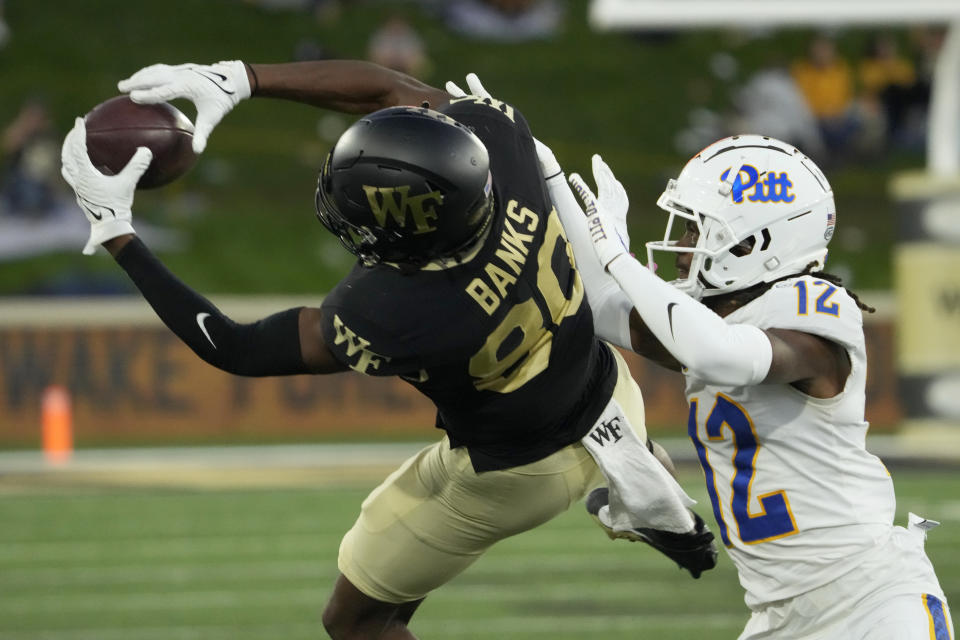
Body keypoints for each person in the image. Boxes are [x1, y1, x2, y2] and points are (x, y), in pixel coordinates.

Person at [59, 60, 717, 639]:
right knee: (396, 557)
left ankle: (625, 479)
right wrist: (239, 78)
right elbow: (391, 91)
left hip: (518, 473)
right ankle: (632, 469)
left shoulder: (399, 312)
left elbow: (232, 348)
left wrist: (116, 231)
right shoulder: (498, 139)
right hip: (605, 386)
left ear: (403, 240)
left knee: (355, 621)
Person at [542, 133, 954, 639]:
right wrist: (544, 170)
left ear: (757, 241)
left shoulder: (816, 308)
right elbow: (606, 307)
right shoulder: (715, 318)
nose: (683, 245)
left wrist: (620, 260)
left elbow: (722, 354)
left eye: (699, 229)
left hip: (870, 603)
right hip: (777, 615)